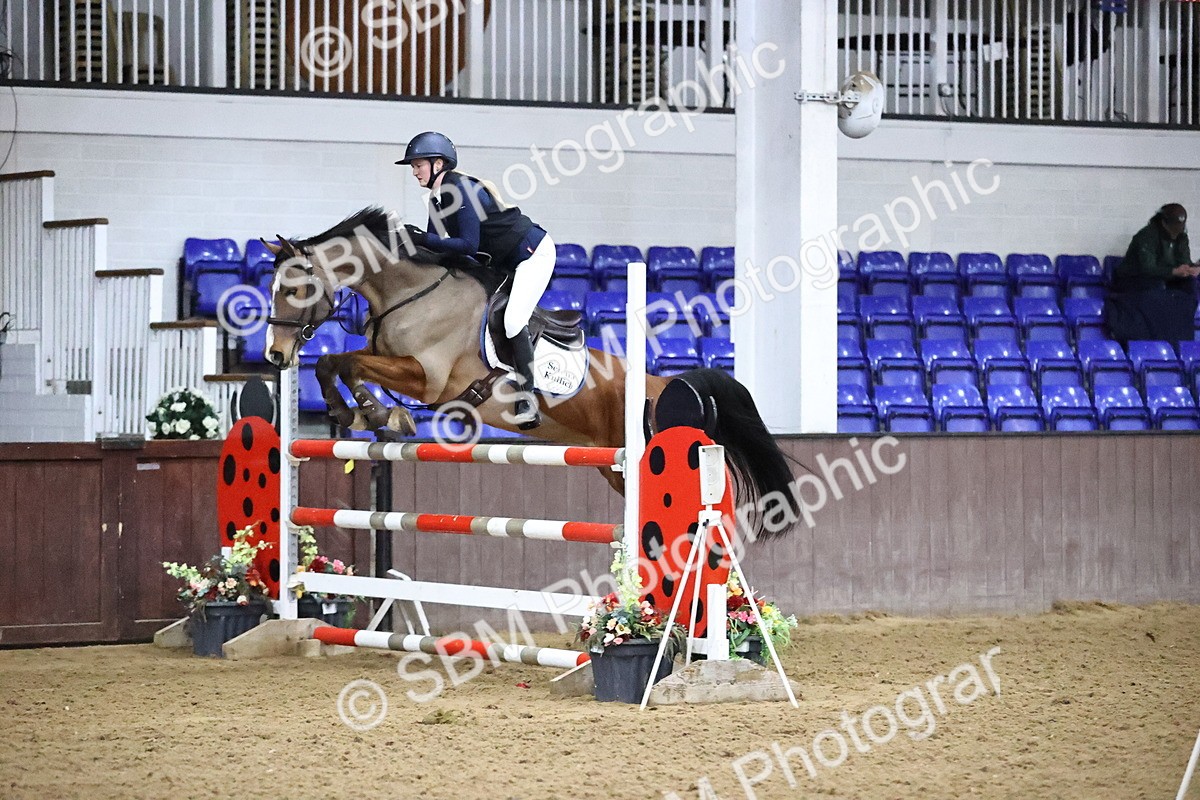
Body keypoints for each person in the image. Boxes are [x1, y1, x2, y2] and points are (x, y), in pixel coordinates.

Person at [396, 131, 555, 430]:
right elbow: (435, 246)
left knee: (511, 321)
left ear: (438, 164)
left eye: (418, 165)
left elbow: (467, 244)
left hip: (532, 255)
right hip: (501, 262)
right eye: (413, 166)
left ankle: (527, 398)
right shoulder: (436, 198)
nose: (414, 171)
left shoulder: (463, 190)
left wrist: (424, 238)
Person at [1105, 203, 1200, 345]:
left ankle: (1182, 338)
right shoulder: (1146, 236)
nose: (1176, 233)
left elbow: (1183, 261)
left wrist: (1191, 269)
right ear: (1163, 222)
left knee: (1189, 286)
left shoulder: (1181, 237)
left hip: (1165, 278)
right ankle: (1155, 337)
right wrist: (1173, 271)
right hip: (1134, 279)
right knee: (1156, 286)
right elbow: (1148, 268)